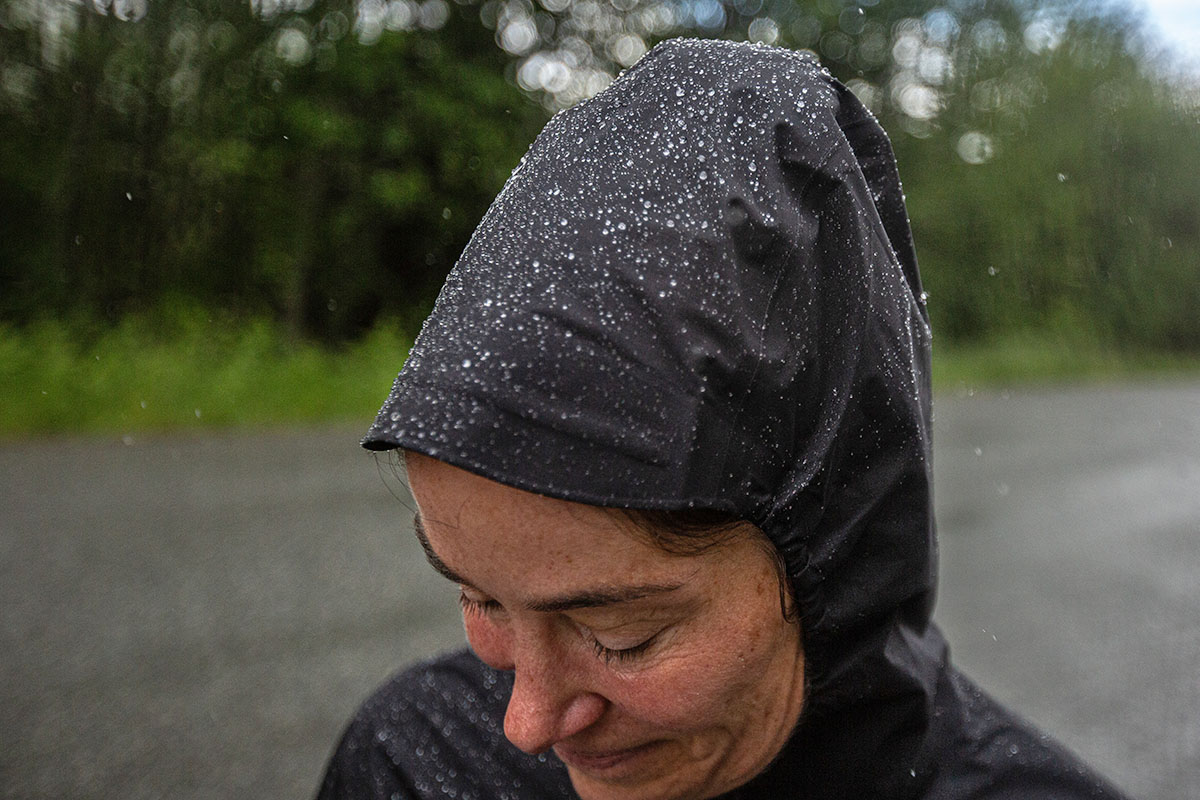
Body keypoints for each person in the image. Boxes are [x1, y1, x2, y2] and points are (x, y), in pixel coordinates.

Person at [317, 38, 1130, 799]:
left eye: (622, 637)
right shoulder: (417, 763)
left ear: (835, 555)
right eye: (481, 600)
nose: (526, 724)